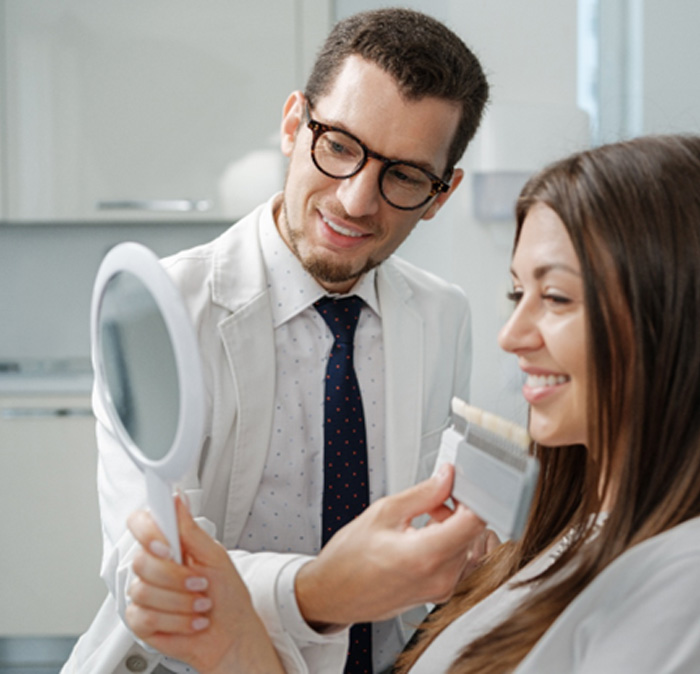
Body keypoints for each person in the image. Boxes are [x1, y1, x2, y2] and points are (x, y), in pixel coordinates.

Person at [124, 133, 700, 673]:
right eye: (517, 293)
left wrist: (248, 639)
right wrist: (240, 639)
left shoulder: (680, 584)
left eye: (554, 296)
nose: (512, 335)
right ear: (294, 127)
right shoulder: (568, 534)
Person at [62, 8, 490, 674]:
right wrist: (322, 591)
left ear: (441, 193)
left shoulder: (443, 315)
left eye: (404, 176)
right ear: (294, 124)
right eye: (340, 145)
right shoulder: (163, 307)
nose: (355, 201)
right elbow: (154, 577)